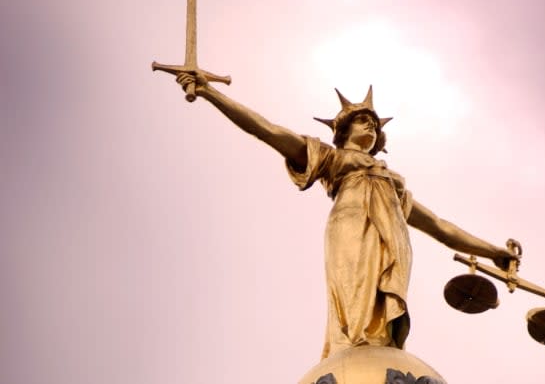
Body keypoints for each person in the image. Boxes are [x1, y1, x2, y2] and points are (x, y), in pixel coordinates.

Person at [175, 72, 516, 359]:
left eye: (373, 124)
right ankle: (354, 348)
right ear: (342, 131)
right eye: (361, 121)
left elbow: (440, 227)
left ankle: (378, 348)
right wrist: (210, 92)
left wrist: (494, 252)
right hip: (351, 227)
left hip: (394, 242)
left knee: (381, 310)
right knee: (355, 295)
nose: (369, 126)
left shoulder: (393, 187)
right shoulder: (332, 160)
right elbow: (267, 130)